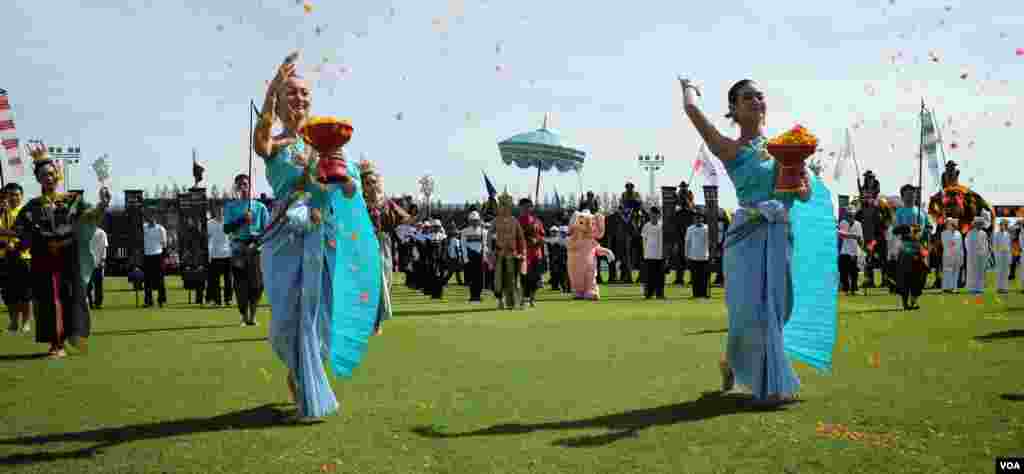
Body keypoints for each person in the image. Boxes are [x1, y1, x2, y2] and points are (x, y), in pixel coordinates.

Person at [680, 76, 836, 404]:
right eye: (747, 97)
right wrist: (689, 87)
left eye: (759, 96)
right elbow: (692, 110)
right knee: (750, 309)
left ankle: (731, 362)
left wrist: (799, 177)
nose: (756, 101)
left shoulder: (784, 148)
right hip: (745, 234)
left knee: (780, 307)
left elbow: (805, 195)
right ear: (734, 110)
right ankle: (770, 386)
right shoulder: (729, 147)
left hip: (779, 233)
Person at [253, 52, 381, 422]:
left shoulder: (326, 142)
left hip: (325, 237)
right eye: (290, 93)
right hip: (285, 239)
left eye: (305, 93)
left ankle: (306, 386)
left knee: (322, 315)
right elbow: (260, 144)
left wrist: (356, 185)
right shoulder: (276, 144)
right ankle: (300, 375)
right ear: (277, 101)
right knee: (284, 323)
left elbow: (348, 188)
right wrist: (269, 91)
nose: (299, 99)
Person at [14, 144, 110, 358]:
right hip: (44, 260)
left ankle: (74, 336)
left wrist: (103, 204)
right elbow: (22, 232)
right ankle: (55, 344)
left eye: (50, 174)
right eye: (43, 175)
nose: (48, 178)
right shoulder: (32, 206)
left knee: (72, 297)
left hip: (68, 258)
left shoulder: (71, 200)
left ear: (57, 175)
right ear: (38, 179)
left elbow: (91, 217)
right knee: (49, 300)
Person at [223, 173, 270, 326]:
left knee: (256, 284)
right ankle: (243, 315)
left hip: (255, 248)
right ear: (236, 187)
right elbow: (227, 228)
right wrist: (243, 219)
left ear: (250, 186)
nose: (243, 187)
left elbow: (267, 230)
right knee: (240, 284)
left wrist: (256, 242)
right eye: (240, 184)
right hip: (238, 248)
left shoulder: (260, 207)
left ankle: (253, 315)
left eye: (246, 183)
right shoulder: (230, 207)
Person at [1, 183, 33, 333]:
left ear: (21, 196)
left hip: (23, 257)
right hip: (4, 257)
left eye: (16, 194)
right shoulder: (1, 212)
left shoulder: (27, 213)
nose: (13, 197)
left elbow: (29, 235)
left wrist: (18, 245)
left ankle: (26, 321)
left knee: (25, 292)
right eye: (10, 194)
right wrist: (4, 245)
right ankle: (14, 320)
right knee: (9, 293)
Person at [492, 193, 526, 310]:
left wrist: (523, 252)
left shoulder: (514, 221)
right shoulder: (495, 221)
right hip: (499, 254)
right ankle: (500, 301)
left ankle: (517, 301)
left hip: (513, 254)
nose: (504, 208)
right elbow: (488, 236)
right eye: (502, 205)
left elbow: (521, 238)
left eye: (507, 205)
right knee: (499, 279)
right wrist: (490, 250)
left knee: (514, 279)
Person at [517, 198, 545, 307]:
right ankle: (523, 299)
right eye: (524, 206)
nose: (527, 209)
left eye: (529, 206)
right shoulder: (517, 222)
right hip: (523, 255)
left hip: (536, 254)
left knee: (535, 278)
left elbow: (542, 236)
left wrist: (537, 240)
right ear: (520, 207)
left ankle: (532, 299)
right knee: (524, 279)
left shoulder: (537, 221)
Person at [893, 225, 927, 310]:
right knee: (905, 286)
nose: (912, 233)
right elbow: (897, 253)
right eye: (911, 231)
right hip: (905, 267)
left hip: (915, 267)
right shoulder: (901, 242)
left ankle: (913, 302)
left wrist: (921, 254)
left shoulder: (916, 241)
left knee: (915, 285)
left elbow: (923, 252)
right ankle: (905, 304)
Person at [206, 207, 233, 306]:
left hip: (227, 254)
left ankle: (228, 299)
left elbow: (232, 237)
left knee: (228, 279)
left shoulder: (228, 222)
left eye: (221, 212)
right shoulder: (209, 224)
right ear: (215, 212)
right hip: (214, 255)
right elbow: (207, 238)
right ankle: (217, 300)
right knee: (215, 280)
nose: (220, 214)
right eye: (218, 212)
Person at [142, 210, 168, 308]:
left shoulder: (160, 228)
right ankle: (148, 301)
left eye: (152, 216)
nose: (151, 218)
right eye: (149, 216)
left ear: (155, 218)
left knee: (160, 279)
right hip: (147, 256)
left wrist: (164, 257)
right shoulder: (143, 228)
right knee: (147, 280)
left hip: (158, 255)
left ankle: (161, 300)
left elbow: (164, 244)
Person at [460, 211, 487, 303]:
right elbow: (463, 245)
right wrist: (465, 258)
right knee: (471, 278)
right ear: (469, 221)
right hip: (470, 256)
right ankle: (473, 296)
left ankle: (478, 296)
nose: (474, 222)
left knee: (479, 278)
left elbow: (485, 245)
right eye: (472, 220)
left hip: (479, 257)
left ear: (479, 220)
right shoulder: (464, 231)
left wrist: (484, 257)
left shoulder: (483, 232)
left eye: (476, 220)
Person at [641, 206, 665, 299]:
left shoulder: (662, 226)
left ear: (659, 215)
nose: (653, 216)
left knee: (660, 276)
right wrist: (644, 253)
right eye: (652, 214)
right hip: (649, 255)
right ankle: (649, 293)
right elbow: (644, 240)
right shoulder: (646, 226)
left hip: (660, 255)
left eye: (655, 214)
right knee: (649, 276)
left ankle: (660, 294)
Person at [837, 207, 863, 296]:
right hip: (844, 251)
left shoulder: (858, 224)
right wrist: (853, 236)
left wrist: (861, 243)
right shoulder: (843, 223)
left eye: (851, 215)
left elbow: (860, 238)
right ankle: (846, 289)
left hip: (854, 251)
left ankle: (854, 289)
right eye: (848, 215)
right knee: (843, 272)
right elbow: (841, 234)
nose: (849, 217)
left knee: (854, 272)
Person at [685, 214, 710, 298]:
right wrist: (686, 254)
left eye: (699, 218)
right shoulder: (690, 228)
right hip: (693, 256)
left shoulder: (707, 228)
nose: (698, 220)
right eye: (696, 218)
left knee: (704, 277)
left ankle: (704, 294)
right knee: (695, 277)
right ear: (694, 219)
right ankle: (695, 294)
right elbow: (687, 242)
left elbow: (710, 242)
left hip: (704, 256)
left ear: (702, 219)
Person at [964, 216, 990, 295]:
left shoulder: (984, 233)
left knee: (980, 272)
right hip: (972, 255)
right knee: (972, 272)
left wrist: (985, 253)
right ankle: (972, 288)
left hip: (981, 256)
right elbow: (967, 244)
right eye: (978, 224)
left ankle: (980, 288)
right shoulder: (970, 233)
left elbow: (986, 245)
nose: (979, 225)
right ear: (975, 224)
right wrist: (971, 253)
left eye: (980, 224)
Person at [87, 223, 108, 309]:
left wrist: (103, 260)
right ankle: (90, 302)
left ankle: (98, 303)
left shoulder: (101, 233)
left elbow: (104, 247)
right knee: (88, 285)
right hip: (88, 263)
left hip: (98, 263)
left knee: (98, 284)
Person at [940, 219, 963, 293]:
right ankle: (947, 287)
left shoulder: (958, 233)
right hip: (948, 255)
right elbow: (946, 244)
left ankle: (954, 288)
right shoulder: (944, 233)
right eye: (951, 224)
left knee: (956, 272)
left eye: (954, 225)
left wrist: (961, 255)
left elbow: (960, 245)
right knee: (947, 271)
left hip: (957, 255)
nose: (953, 226)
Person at [993, 219, 1013, 294]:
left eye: (1004, 225)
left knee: (1005, 272)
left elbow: (1009, 246)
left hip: (1006, 255)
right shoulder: (996, 234)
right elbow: (994, 246)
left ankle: (1005, 288)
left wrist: (1010, 256)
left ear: (1005, 226)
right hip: (999, 255)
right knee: (999, 272)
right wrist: (996, 255)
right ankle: (999, 288)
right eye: (1001, 225)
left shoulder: (1007, 234)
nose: (1002, 226)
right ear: (999, 226)